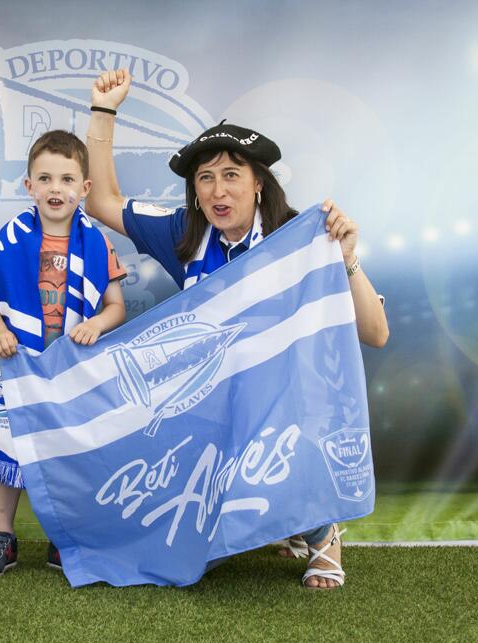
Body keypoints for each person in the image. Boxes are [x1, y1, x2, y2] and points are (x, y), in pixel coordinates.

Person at [84, 69, 389, 589]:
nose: (218, 189)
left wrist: (348, 259)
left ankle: (320, 530)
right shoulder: (185, 232)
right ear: (195, 191)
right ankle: (276, 515)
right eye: (206, 178)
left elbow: (376, 333)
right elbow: (101, 202)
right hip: (214, 399)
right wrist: (102, 111)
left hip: (289, 396)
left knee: (293, 400)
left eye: (231, 174)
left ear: (258, 182)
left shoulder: (299, 235)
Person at [0, 130, 127, 576]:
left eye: (66, 179)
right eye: (45, 178)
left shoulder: (97, 243)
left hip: (70, 366)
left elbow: (114, 306)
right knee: (9, 444)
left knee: (69, 448)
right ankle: (4, 534)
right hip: (17, 361)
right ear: (29, 186)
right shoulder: (13, 236)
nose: (55, 189)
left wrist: (96, 323)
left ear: (85, 188)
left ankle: (66, 536)